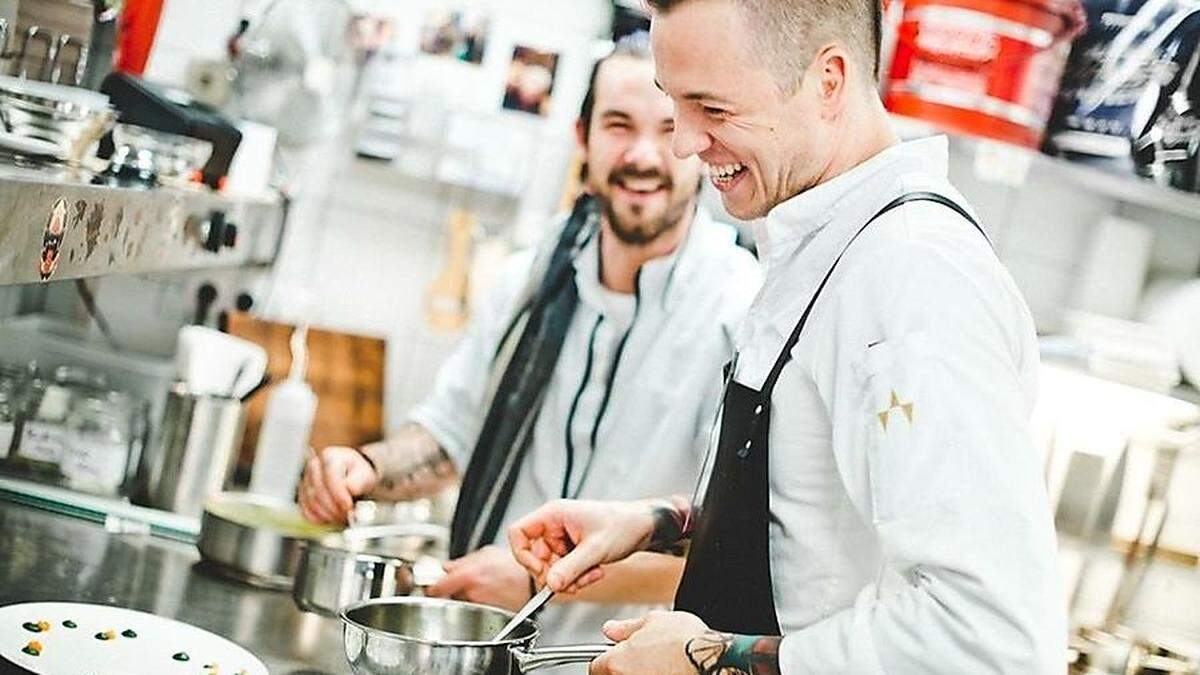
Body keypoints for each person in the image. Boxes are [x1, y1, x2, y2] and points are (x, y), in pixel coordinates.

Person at [507, 1, 1064, 673]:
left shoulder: (913, 277)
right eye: (675, 103)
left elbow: (988, 638)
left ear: (828, 80)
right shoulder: (820, 239)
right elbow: (818, 524)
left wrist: (708, 655)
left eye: (713, 110)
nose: (684, 143)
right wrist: (657, 524)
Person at [298, 32, 761, 649]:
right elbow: (451, 433)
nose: (645, 155)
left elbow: (725, 548)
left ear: (698, 143)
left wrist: (538, 578)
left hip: (615, 658)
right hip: (485, 650)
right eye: (619, 125)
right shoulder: (532, 277)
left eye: (668, 127)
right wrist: (364, 467)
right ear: (583, 139)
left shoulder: (742, 311)